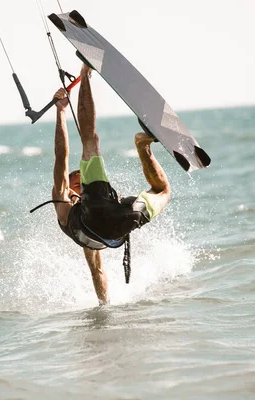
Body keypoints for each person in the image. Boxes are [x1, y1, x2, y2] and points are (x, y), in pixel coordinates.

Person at [50, 63, 171, 305]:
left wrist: (104, 305)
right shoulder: (65, 198)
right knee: (90, 140)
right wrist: (61, 113)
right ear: (74, 186)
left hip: (119, 222)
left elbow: (98, 273)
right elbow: (61, 156)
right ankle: (85, 74)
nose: (80, 177)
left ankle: (143, 145)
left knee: (162, 191)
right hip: (107, 218)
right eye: (77, 178)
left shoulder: (74, 223)